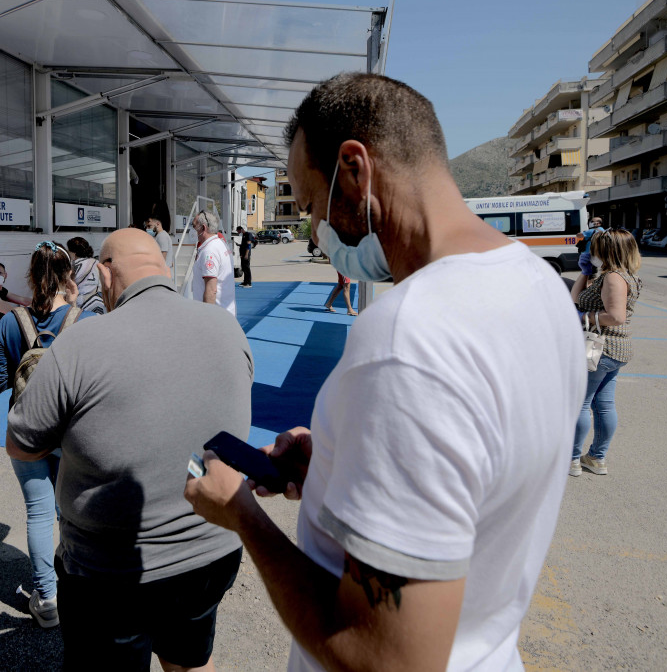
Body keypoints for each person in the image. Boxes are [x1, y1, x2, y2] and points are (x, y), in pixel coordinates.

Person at [183, 73, 584, 672]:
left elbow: (383, 657)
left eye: (314, 204)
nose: (318, 233)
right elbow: (473, 467)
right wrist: (346, 458)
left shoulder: (409, 337)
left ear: (354, 169)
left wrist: (242, 515)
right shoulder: (539, 288)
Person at [7, 228, 252, 671]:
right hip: (211, 551)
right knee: (190, 659)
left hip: (110, 572)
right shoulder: (227, 327)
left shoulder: (80, 343)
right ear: (164, 266)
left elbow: (22, 445)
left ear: (104, 274)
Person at [0, 241, 96, 629]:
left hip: (26, 435)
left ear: (30, 277)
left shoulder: (9, 322)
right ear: (69, 276)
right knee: (71, 513)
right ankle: (76, 588)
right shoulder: (85, 320)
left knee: (38, 514)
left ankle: (46, 600)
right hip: (71, 437)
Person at [570, 228, 643, 477]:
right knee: (604, 404)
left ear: (608, 250)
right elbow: (576, 298)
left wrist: (582, 317)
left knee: (580, 404)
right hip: (614, 350)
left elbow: (615, 316)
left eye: (596, 247)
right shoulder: (623, 275)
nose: (592, 251)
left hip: (599, 348)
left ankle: (571, 460)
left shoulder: (613, 277)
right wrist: (585, 272)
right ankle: (596, 458)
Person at [191, 210, 236, 316]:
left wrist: (208, 320)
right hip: (225, 312)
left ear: (203, 228)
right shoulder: (220, 244)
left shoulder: (209, 251)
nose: (192, 230)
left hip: (217, 317)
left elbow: (211, 290)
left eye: (194, 226)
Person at [67, 237, 107, 315]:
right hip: (100, 301)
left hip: (82, 304)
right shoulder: (98, 263)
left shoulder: (72, 266)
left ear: (74, 253)